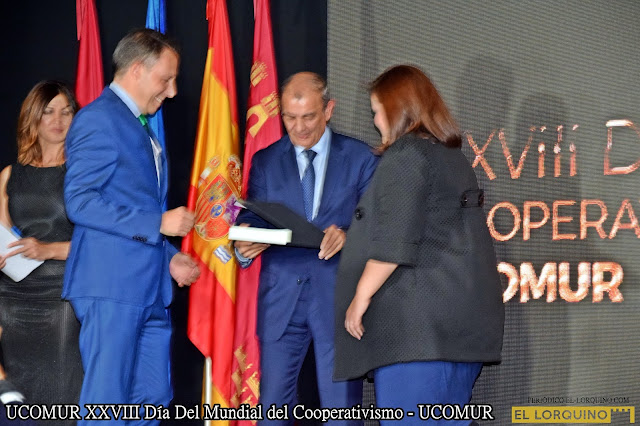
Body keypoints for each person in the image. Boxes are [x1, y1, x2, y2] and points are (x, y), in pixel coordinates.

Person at [333, 65, 504, 424]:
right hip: (458, 331)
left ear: (396, 109)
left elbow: (395, 241)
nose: (375, 121)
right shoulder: (451, 157)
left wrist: (359, 299)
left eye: (377, 111)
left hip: (417, 336)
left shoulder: (407, 154)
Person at [62, 28, 200, 424]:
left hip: (148, 290)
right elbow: (80, 202)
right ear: (137, 69)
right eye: (166, 79)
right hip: (111, 287)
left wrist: (168, 256)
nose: (172, 91)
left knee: (151, 399)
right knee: (107, 404)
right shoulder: (98, 119)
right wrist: (159, 223)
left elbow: (130, 203)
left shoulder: (136, 123)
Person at [233, 72, 378, 424]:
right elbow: (256, 216)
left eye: (309, 116)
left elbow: (378, 225)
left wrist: (348, 235)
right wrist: (245, 240)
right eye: (290, 117)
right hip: (281, 299)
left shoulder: (360, 157)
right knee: (272, 412)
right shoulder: (265, 160)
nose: (298, 128)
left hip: (339, 300)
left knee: (341, 413)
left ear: (329, 110)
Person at [0, 81, 83, 425]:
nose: (58, 120)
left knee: (58, 400)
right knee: (16, 403)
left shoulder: (82, 174)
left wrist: (48, 250)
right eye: (49, 111)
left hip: (60, 298)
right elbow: (3, 235)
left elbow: (104, 247)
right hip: (11, 299)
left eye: (66, 112)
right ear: (33, 116)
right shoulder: (10, 175)